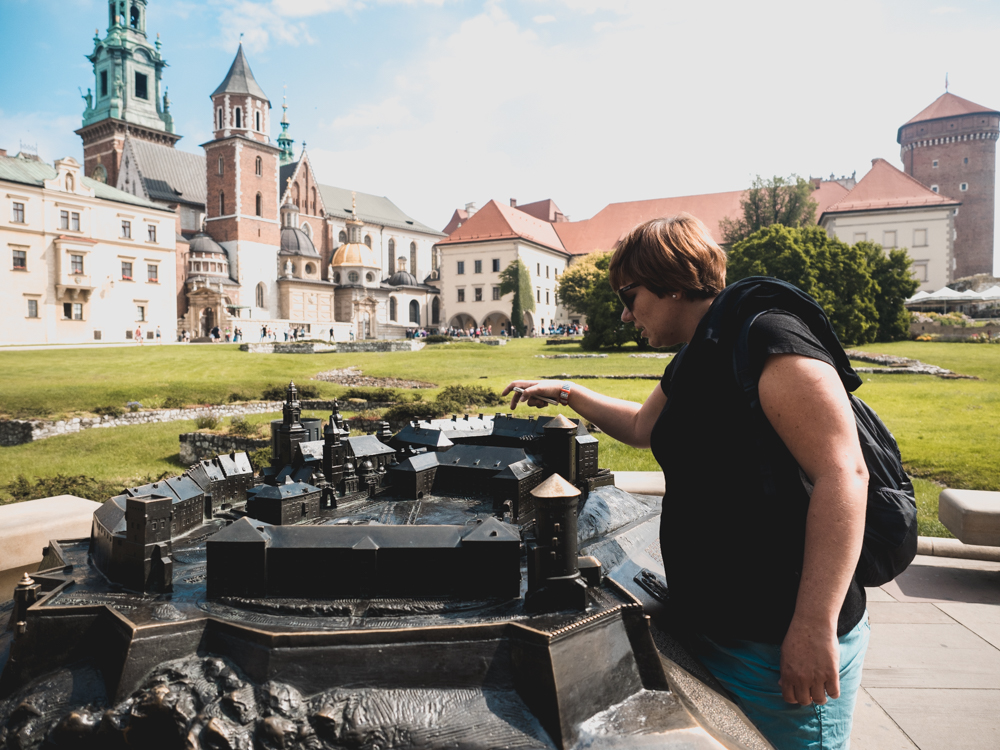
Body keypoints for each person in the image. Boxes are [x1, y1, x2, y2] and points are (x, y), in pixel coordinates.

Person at [503, 213, 869, 750]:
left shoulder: (768, 336)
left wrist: (814, 627)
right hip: (719, 628)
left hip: (779, 637)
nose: (627, 315)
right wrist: (567, 391)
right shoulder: (697, 355)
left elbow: (844, 474)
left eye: (631, 295)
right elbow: (641, 428)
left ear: (673, 282)